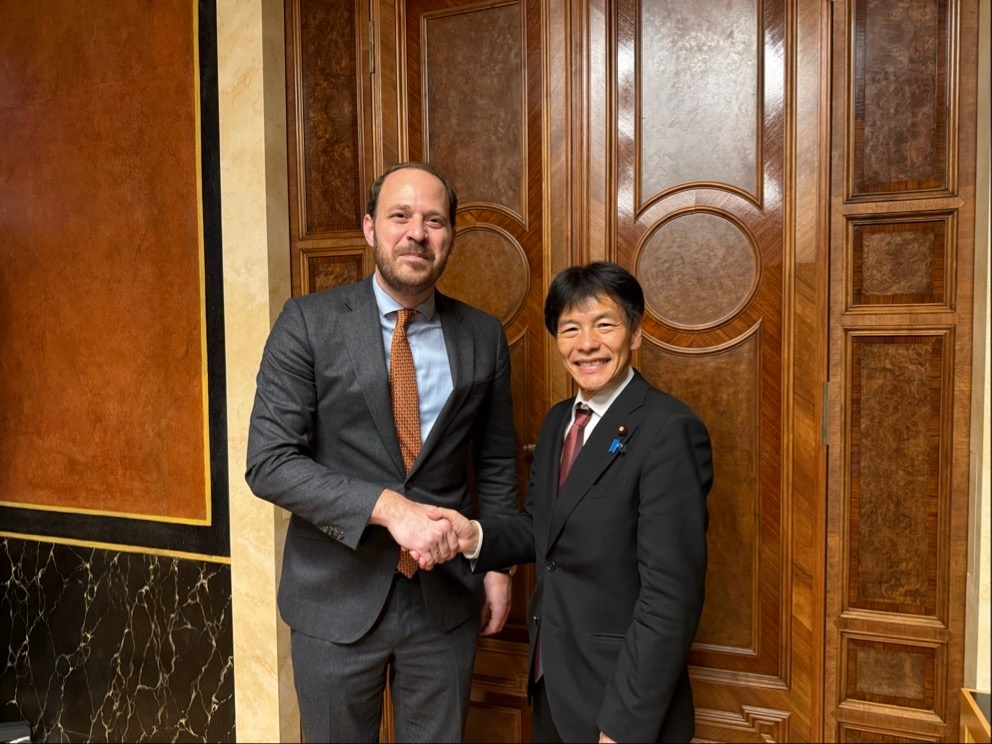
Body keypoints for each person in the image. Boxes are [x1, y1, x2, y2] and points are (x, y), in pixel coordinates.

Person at [245, 162, 519, 743]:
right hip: (333, 599)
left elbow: (495, 462)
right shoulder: (308, 323)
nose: (416, 232)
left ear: (449, 237)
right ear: (370, 228)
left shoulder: (483, 335)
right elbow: (269, 461)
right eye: (400, 216)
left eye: (434, 220)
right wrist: (390, 508)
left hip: (445, 603)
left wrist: (496, 564)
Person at [424, 261, 713, 742]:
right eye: (570, 329)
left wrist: (623, 727)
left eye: (605, 325)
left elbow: (671, 600)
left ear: (635, 335)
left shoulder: (668, 430)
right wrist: (474, 536)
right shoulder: (560, 421)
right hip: (552, 685)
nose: (587, 344)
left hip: (620, 703)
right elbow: (541, 527)